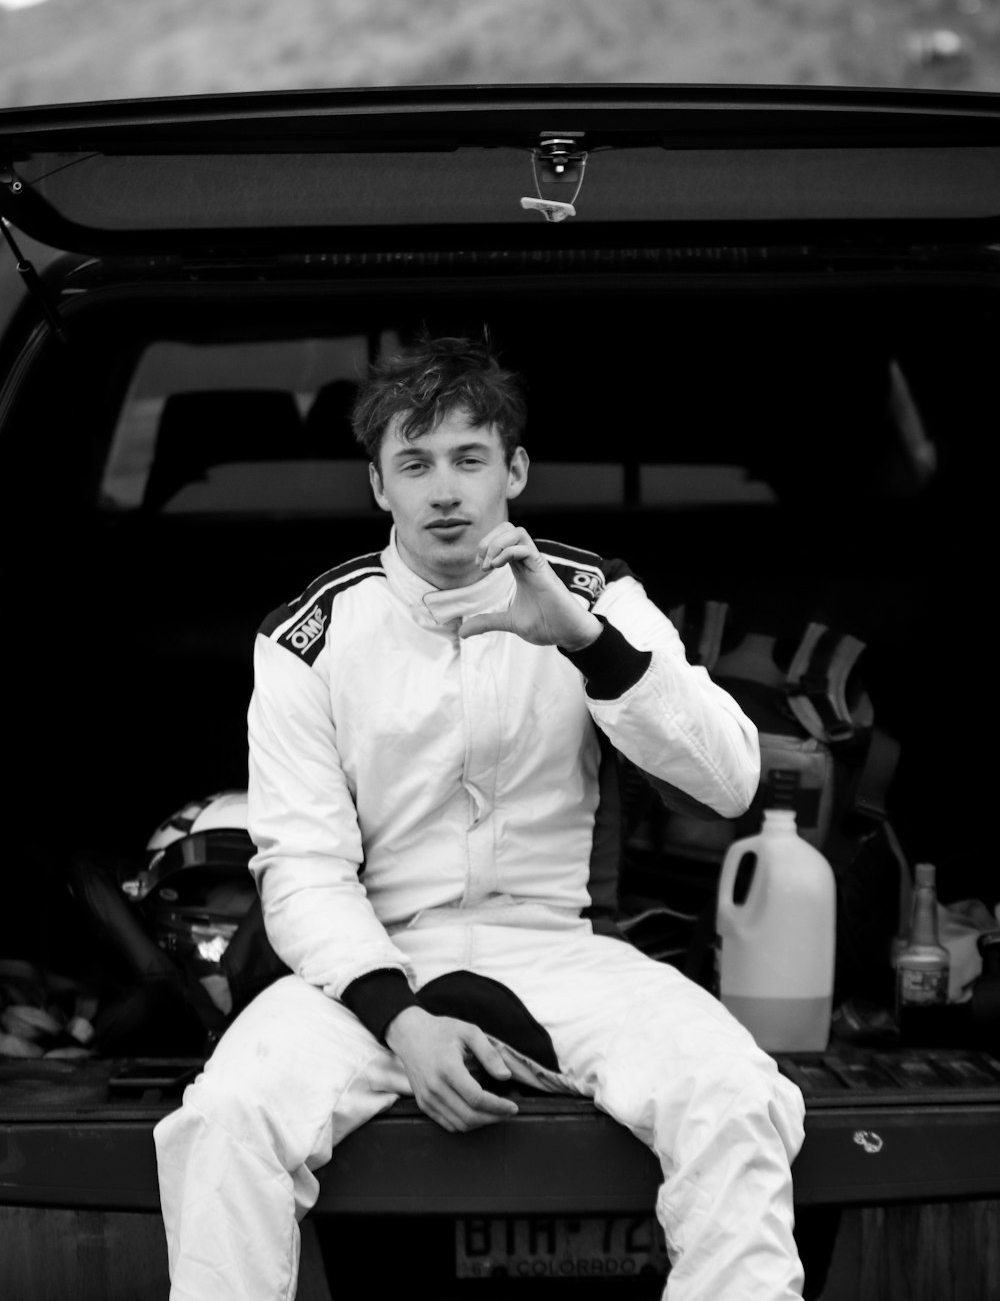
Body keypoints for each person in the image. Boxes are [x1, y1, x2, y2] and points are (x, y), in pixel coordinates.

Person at [154, 334, 807, 1301]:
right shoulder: (310, 635)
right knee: (221, 1123)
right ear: (378, 485)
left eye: (470, 458)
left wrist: (586, 644)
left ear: (517, 470)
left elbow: (729, 779)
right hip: (376, 960)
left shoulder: (591, 592)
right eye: (415, 464)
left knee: (741, 1099)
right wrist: (399, 1021)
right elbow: (302, 870)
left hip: (561, 950)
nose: (445, 490)